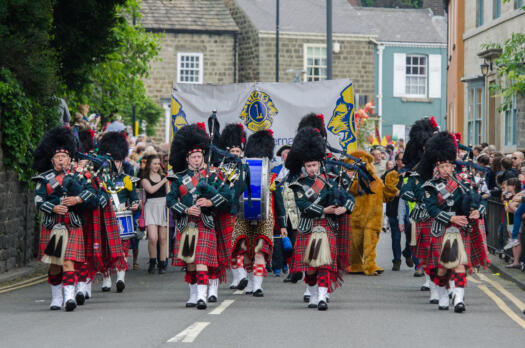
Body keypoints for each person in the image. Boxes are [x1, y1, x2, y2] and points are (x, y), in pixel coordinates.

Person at [419, 132, 489, 313]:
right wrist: (450, 217)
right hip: (441, 228)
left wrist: (476, 211)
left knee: (459, 265)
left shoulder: (463, 183)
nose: (446, 170)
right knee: (442, 269)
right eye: (442, 166)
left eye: (449, 165)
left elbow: (480, 200)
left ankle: (458, 298)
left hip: (459, 229)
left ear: (453, 165)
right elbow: (432, 209)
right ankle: (443, 295)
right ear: (437, 166)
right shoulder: (430, 186)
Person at [286, 127, 354, 310]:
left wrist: (343, 209)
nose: (312, 169)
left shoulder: (331, 181)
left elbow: (350, 200)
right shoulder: (298, 185)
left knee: (324, 263)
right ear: (304, 166)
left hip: (327, 227)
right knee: (310, 267)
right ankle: (313, 294)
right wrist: (326, 209)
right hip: (308, 226)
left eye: (315, 165)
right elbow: (304, 207)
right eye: (309, 166)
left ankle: (323, 296)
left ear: (319, 164)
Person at [32, 127, 98, 311]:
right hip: (52, 224)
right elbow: (38, 200)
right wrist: (52, 207)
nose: (61, 159)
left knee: (68, 261)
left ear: (70, 159)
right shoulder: (44, 179)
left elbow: (92, 193)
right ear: (52, 159)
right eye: (57, 157)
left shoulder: (79, 176)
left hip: (73, 222)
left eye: (64, 157)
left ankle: (69, 298)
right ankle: (56, 298)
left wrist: (77, 199)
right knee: (55, 264)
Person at [167, 124, 230, 309]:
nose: (196, 160)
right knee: (190, 263)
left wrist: (210, 203)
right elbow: (170, 201)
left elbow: (227, 199)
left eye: (199, 157)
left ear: (204, 157)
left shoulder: (214, 175)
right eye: (193, 157)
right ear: (187, 159)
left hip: (206, 223)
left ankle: (202, 296)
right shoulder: (178, 178)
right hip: (186, 224)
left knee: (201, 260)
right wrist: (186, 210)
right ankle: (193, 295)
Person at [231, 130, 286, 297]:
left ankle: (258, 286)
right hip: (242, 217)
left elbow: (279, 202)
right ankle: (247, 281)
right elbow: (233, 196)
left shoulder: (271, 177)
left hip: (266, 218)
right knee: (244, 252)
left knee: (260, 251)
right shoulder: (239, 174)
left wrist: (282, 224)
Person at [98, 132, 140, 293]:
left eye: (117, 161)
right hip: (106, 216)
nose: (115, 164)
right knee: (106, 250)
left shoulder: (127, 179)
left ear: (121, 161)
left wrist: (136, 205)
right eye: (112, 161)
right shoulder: (100, 179)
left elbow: (134, 198)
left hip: (123, 215)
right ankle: (107, 278)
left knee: (122, 250)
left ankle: (121, 278)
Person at [214, 123, 248, 297]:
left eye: (237, 152)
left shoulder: (244, 167)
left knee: (237, 245)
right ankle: (235, 276)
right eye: (232, 151)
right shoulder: (219, 168)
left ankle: (240, 274)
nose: (235, 155)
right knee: (226, 245)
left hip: (238, 210)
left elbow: (242, 186)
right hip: (222, 209)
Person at [384, 152, 412, 271]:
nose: (404, 161)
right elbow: (383, 188)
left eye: (406, 159)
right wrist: (393, 193)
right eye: (402, 159)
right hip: (393, 209)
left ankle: (407, 252)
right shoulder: (389, 174)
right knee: (396, 237)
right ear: (397, 161)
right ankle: (397, 260)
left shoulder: (411, 173)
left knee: (411, 236)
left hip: (409, 210)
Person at [141, 155, 169, 274]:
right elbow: (151, 190)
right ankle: (152, 262)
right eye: (154, 163)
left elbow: (168, 193)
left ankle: (162, 264)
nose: (157, 166)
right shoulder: (144, 178)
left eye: (158, 163)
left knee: (163, 239)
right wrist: (163, 181)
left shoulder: (164, 177)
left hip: (163, 206)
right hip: (151, 207)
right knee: (153, 238)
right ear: (149, 165)